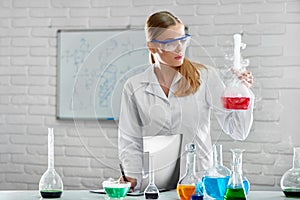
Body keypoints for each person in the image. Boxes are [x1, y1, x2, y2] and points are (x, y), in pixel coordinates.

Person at [118, 11, 254, 192]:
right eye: (171, 43)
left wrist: (242, 94)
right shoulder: (134, 86)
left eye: (183, 40)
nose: (179, 48)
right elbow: (130, 139)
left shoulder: (205, 77)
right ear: (152, 47)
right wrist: (131, 177)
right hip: (155, 185)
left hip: (199, 184)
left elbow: (238, 131)